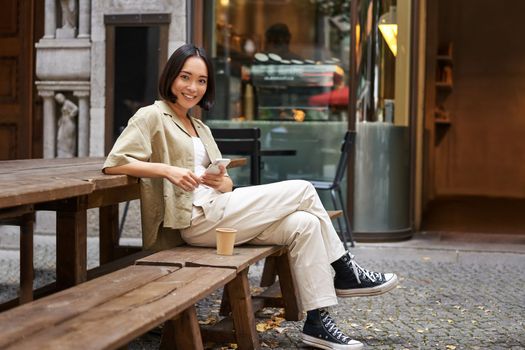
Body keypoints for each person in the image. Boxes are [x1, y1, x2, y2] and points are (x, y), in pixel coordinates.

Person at [103, 44, 398, 350]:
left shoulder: (200, 126)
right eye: (185, 77)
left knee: (305, 223)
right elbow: (115, 163)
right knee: (304, 189)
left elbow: (227, 185)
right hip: (194, 218)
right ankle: (345, 270)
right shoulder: (152, 116)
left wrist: (219, 180)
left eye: (201, 81)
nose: (193, 87)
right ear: (170, 78)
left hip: (219, 211)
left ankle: (316, 322)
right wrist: (168, 170)